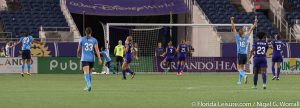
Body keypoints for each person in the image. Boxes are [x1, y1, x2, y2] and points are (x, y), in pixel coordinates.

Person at [231, 16, 257, 85]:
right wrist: (255, 23)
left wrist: (232, 20)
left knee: (239, 69)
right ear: (243, 33)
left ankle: (245, 76)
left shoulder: (237, 37)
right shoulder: (246, 37)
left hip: (240, 54)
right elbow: (251, 29)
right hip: (245, 55)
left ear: (239, 33)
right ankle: (239, 81)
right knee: (242, 68)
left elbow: (233, 28)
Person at [77, 27, 102, 92]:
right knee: (89, 73)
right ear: (91, 32)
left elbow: (79, 49)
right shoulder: (94, 40)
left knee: (86, 73)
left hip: (85, 58)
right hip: (91, 59)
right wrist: (99, 58)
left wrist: (78, 54)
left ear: (85, 32)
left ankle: (88, 85)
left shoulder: (82, 39)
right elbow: (97, 50)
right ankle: (87, 86)